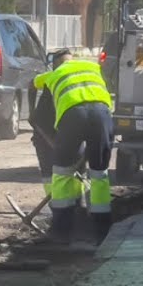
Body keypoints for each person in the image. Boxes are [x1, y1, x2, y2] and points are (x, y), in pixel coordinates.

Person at [33, 50, 114, 245]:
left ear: (56, 64)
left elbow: (33, 85)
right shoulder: (93, 67)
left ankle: (62, 230)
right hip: (103, 115)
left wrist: (57, 144)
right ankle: (102, 229)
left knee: (62, 172)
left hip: (73, 116)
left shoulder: (55, 73)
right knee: (99, 173)